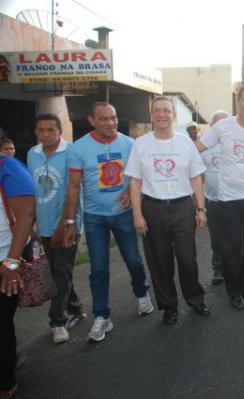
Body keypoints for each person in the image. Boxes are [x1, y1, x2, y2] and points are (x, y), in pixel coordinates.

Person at [63, 102, 153, 343]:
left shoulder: (129, 144)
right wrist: (70, 220)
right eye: (103, 119)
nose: (110, 123)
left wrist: (132, 194)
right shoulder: (78, 148)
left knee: (133, 260)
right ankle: (102, 316)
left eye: (113, 118)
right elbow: (73, 186)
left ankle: (142, 292)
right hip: (94, 217)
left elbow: (141, 176)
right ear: (92, 120)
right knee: (99, 268)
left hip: (123, 214)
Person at [126, 96, 209, 325]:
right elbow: (134, 182)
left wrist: (200, 208)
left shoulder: (185, 144)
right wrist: (137, 214)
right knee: (159, 262)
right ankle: (169, 306)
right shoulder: (141, 144)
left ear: (174, 115)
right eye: (157, 111)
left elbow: (196, 178)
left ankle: (195, 299)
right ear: (152, 115)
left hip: (183, 207)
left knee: (187, 259)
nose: (162, 115)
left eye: (166, 111)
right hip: (153, 208)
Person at [197, 84, 244, 309]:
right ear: (238, 102)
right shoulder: (223, 127)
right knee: (230, 246)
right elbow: (197, 147)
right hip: (227, 199)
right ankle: (234, 292)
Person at [27, 114, 86, 344]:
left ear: (60, 132)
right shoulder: (33, 154)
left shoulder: (71, 153)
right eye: (41, 130)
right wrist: (33, 223)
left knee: (62, 271)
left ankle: (58, 321)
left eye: (51, 130)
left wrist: (66, 223)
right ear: (36, 132)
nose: (46, 134)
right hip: (44, 224)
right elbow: (33, 189)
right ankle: (76, 307)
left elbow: (73, 189)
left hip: (68, 224)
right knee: (56, 272)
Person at [0, 140, 35, 399]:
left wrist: (11, 263)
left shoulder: (8, 168)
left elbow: (26, 215)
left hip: (5, 260)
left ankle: (5, 382)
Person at [202, 110, 230, 285]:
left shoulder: (235, 144)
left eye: (224, 124)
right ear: (212, 127)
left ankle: (235, 269)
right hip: (212, 201)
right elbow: (198, 175)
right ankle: (218, 270)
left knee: (236, 239)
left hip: (234, 201)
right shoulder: (204, 147)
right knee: (217, 239)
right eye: (217, 125)